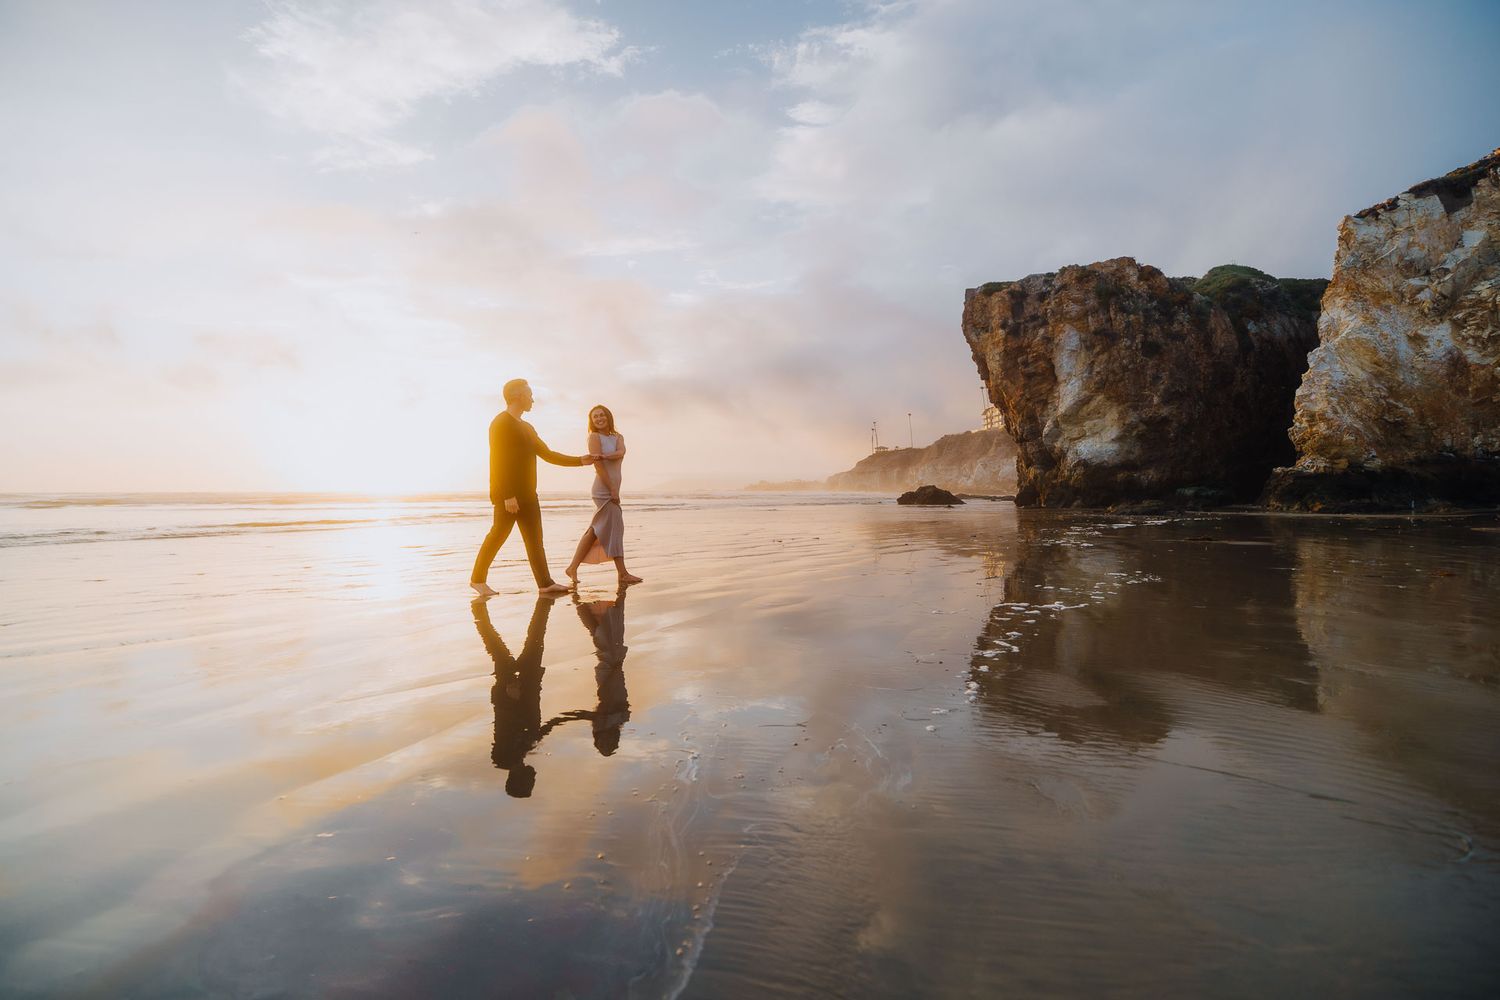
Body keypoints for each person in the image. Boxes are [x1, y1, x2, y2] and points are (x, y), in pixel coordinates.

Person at [471, 379, 598, 597]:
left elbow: (548, 454)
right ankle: (477, 580)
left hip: (528, 493)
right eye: (529, 394)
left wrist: (580, 460)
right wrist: (508, 495)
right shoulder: (500, 423)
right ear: (517, 396)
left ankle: (545, 584)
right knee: (497, 536)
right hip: (508, 496)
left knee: (535, 540)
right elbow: (498, 461)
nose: (532, 399)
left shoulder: (527, 427)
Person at [564, 404, 643, 587]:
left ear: (608, 416)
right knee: (615, 529)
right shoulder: (593, 437)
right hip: (603, 489)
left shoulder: (618, 437)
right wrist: (613, 489)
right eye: (595, 417)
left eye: (601, 415)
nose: (599, 419)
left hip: (614, 487)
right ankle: (622, 573)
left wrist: (606, 457)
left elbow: (621, 452)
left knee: (595, 531)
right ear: (591, 421)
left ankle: (572, 567)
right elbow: (598, 467)